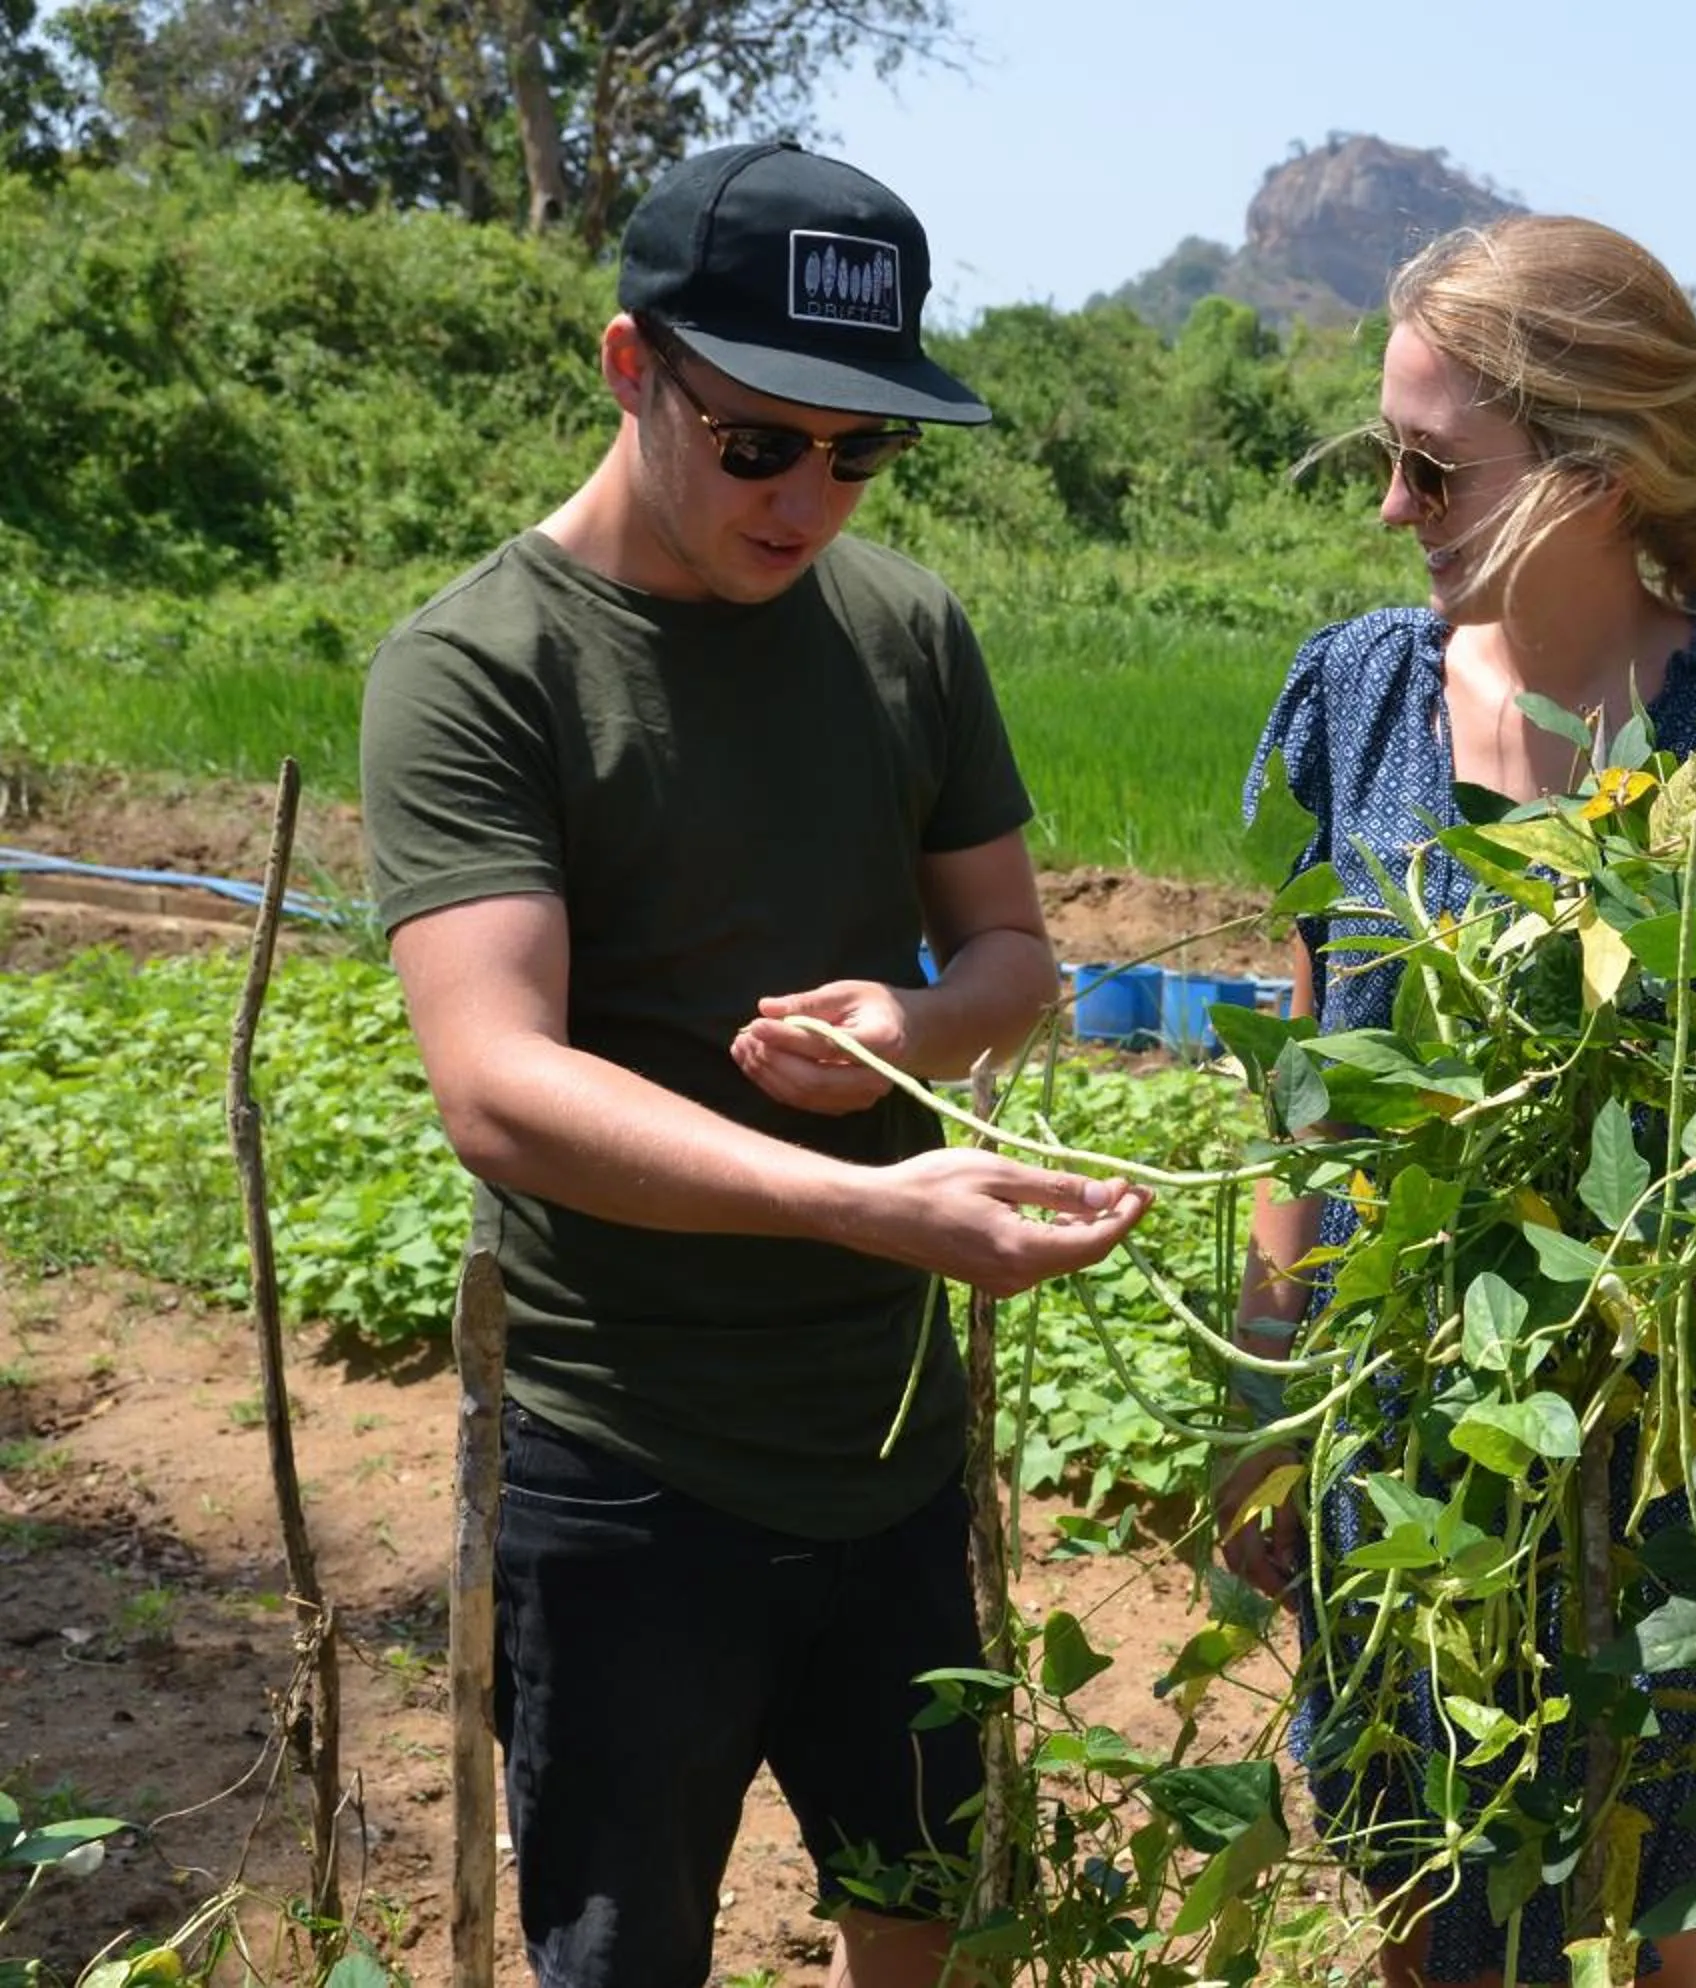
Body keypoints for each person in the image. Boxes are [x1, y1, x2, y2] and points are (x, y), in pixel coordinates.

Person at [360, 140, 1150, 1988]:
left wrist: (918, 1026)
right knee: (626, 1950)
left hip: (885, 1452)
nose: (812, 498)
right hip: (631, 1464)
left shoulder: (906, 637)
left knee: (928, 1922)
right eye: (760, 443)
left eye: (861, 451)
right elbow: (494, 1079)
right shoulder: (480, 669)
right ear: (635, 371)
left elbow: (1016, 956)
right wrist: (870, 1204)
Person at [1219, 215, 1696, 1988]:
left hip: (1661, 1464)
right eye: (1387, 461)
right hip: (1400, 1426)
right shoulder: (1357, 693)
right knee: (1427, 1897)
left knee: (1633, 1914)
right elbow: (1308, 1090)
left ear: (1594, 474)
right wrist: (1265, 1400)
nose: (1394, 510)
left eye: (1432, 468)